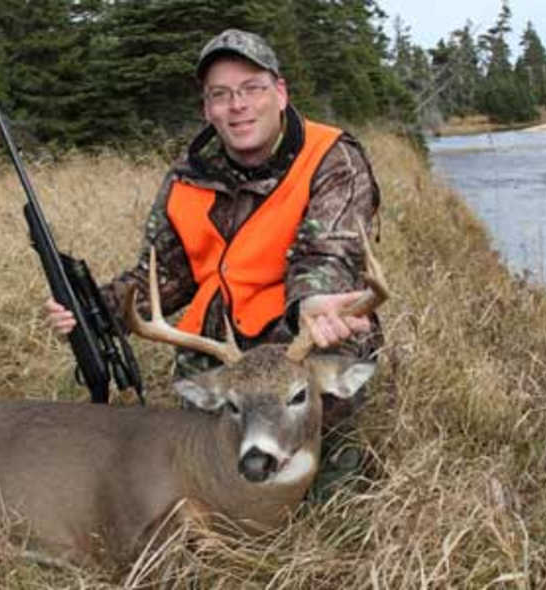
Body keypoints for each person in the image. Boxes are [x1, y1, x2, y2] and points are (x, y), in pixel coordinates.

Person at [45, 29, 383, 442]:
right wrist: (92, 309)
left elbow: (329, 252)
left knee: (328, 349)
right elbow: (164, 275)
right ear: (207, 108)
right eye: (220, 94)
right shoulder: (188, 176)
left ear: (280, 93)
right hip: (218, 345)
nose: (238, 105)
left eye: (252, 88)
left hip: (295, 332)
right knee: (207, 457)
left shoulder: (331, 157)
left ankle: (332, 470)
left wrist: (313, 303)